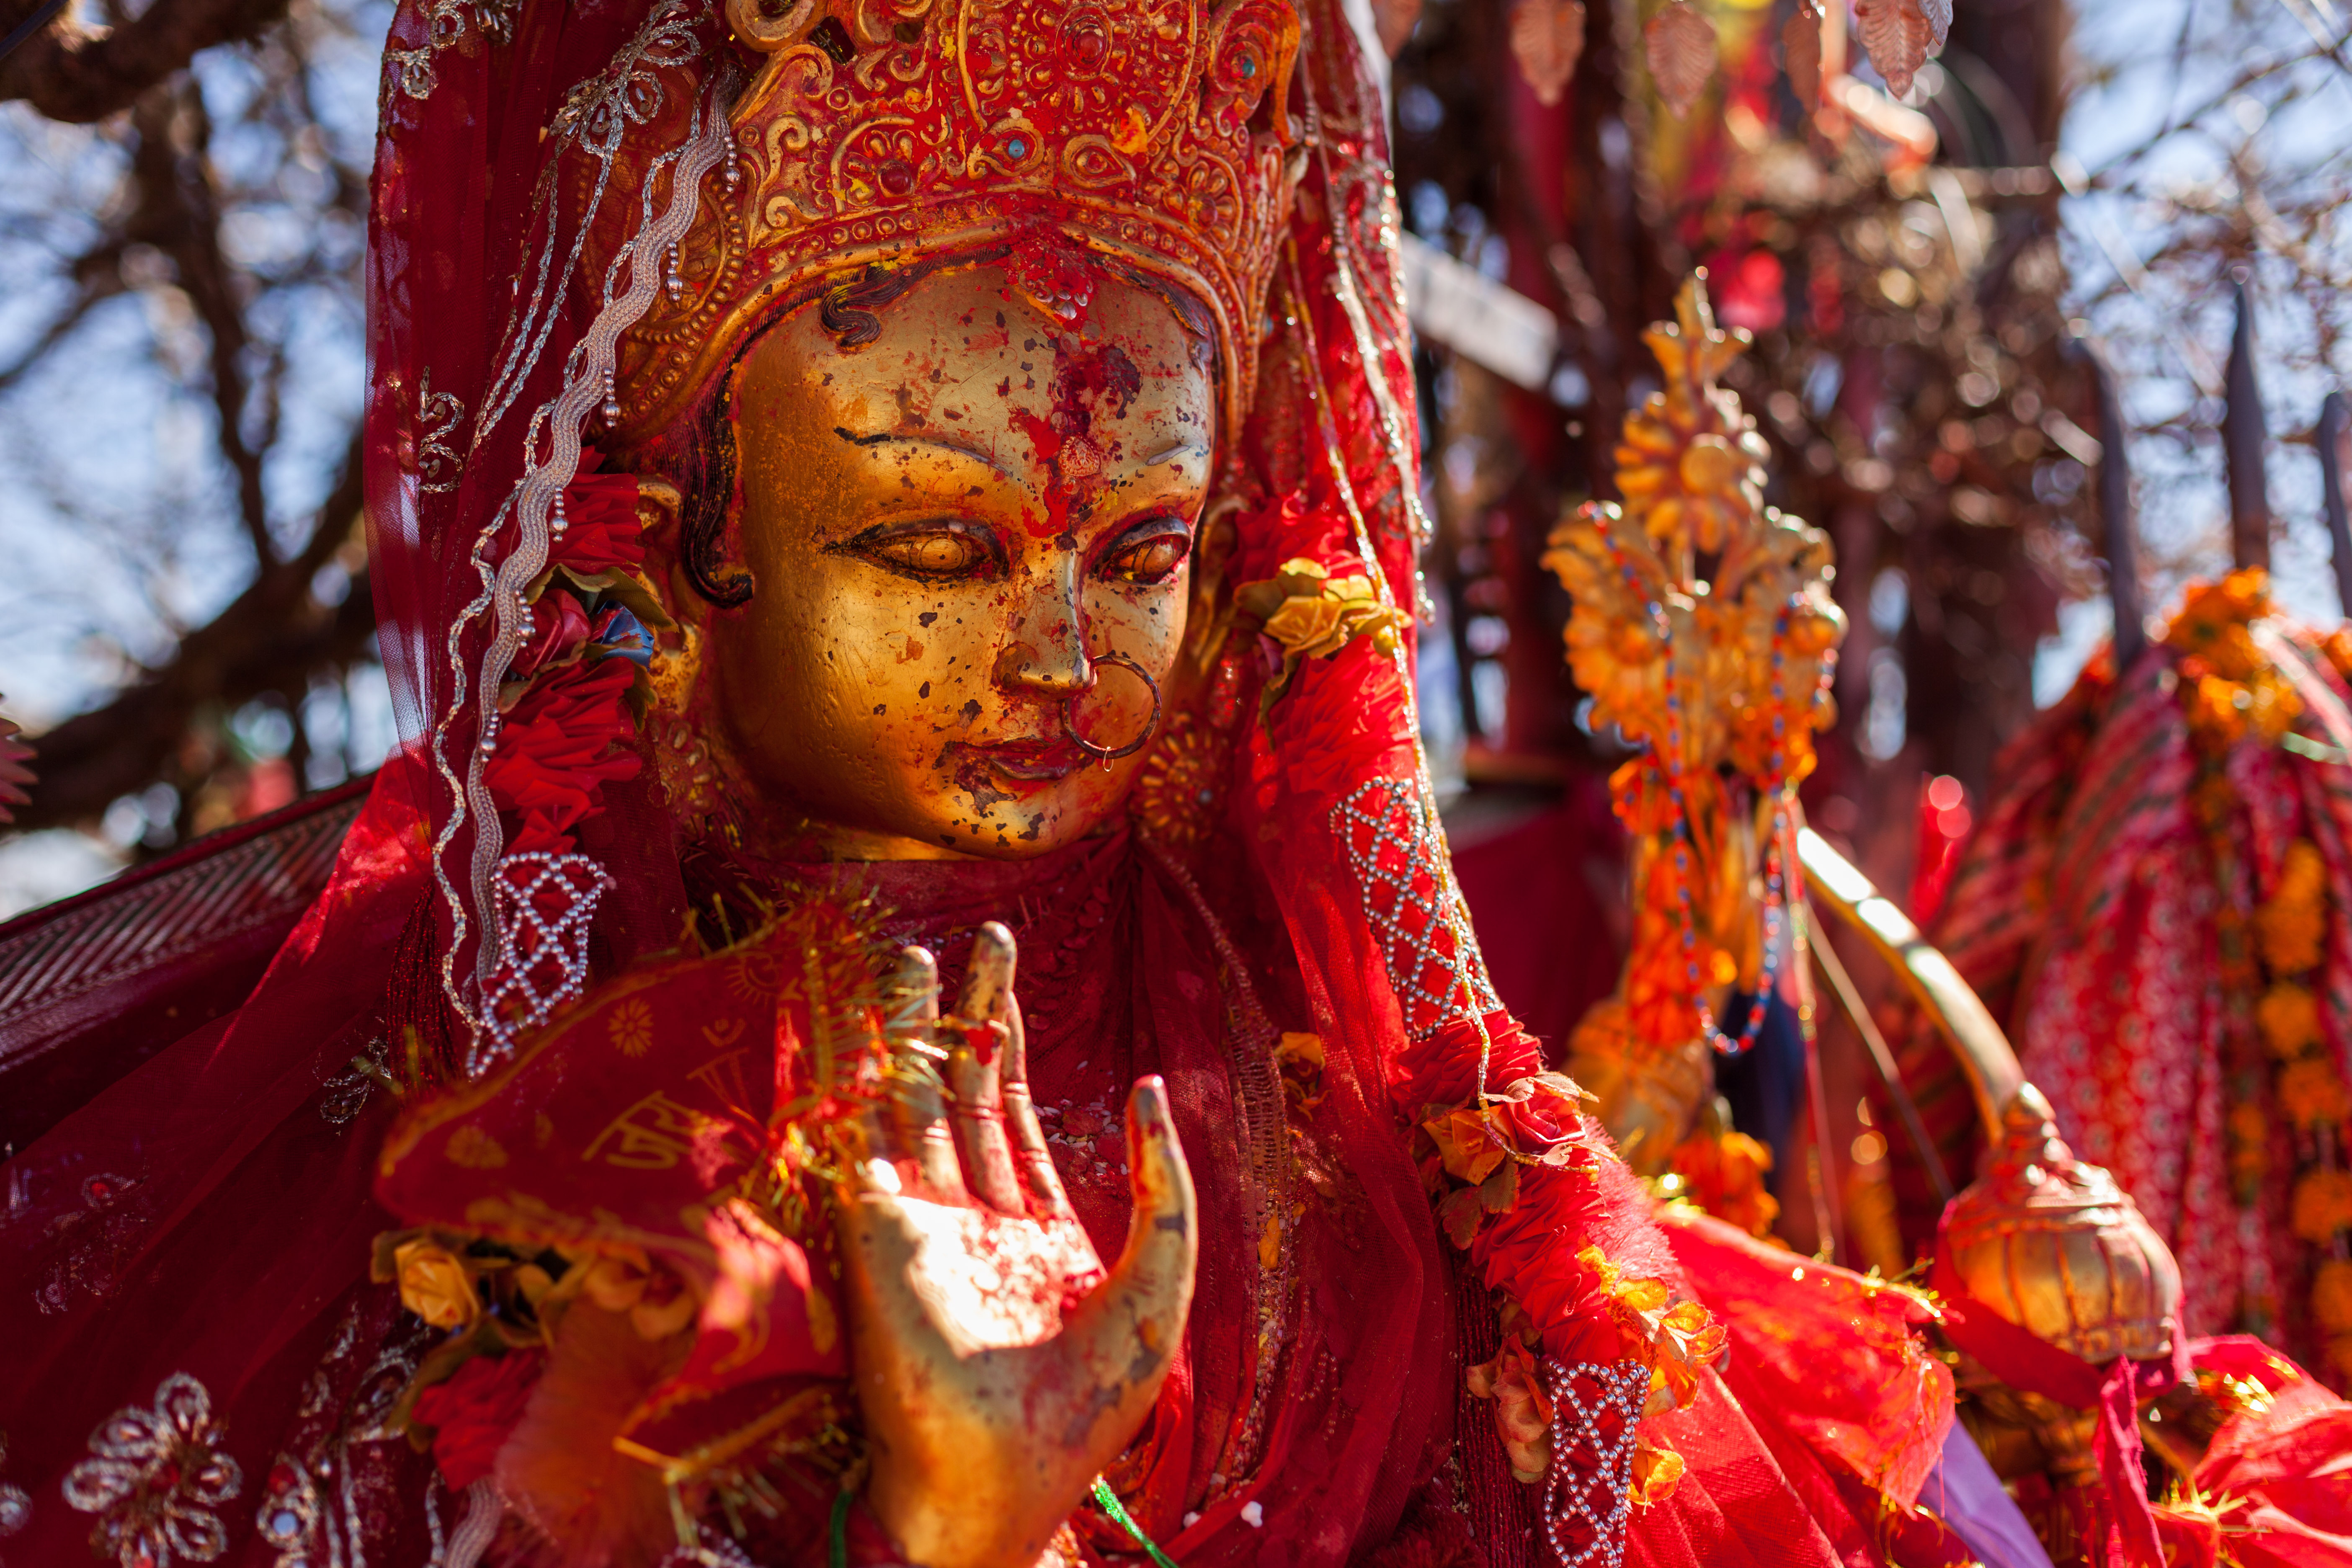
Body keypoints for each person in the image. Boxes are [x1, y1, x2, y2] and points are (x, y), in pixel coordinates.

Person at [0, 2, 1952, 1564]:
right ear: (680, 555)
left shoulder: (1345, 1143)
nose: (1058, 660)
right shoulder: (503, 1138)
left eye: (1143, 558)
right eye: (934, 552)